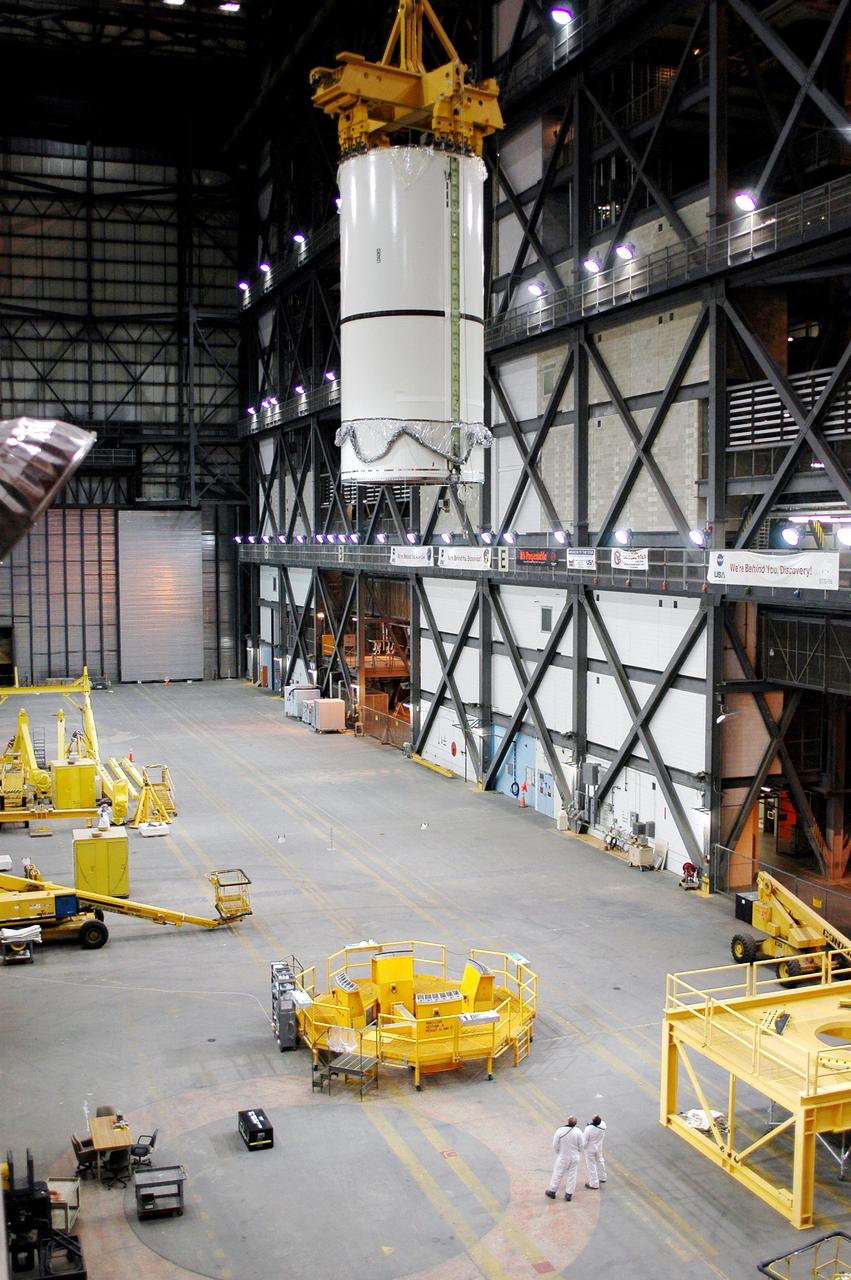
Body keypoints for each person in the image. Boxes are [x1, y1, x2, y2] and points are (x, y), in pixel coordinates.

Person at [545, 1116, 584, 1201]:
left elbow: (555, 1144)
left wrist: (559, 1152)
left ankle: (552, 1191)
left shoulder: (560, 1131)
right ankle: (568, 1194)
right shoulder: (579, 1132)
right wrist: (578, 1151)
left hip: (563, 1156)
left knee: (558, 1173)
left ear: (567, 1121)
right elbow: (581, 1146)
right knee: (572, 1175)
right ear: (575, 1123)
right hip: (574, 1157)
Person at [584, 1114, 607, 1188]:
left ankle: (594, 1183)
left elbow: (584, 1141)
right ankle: (603, 1177)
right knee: (600, 1160)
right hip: (599, 1146)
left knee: (591, 1165)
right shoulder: (603, 1125)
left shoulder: (589, 1129)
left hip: (590, 1148)